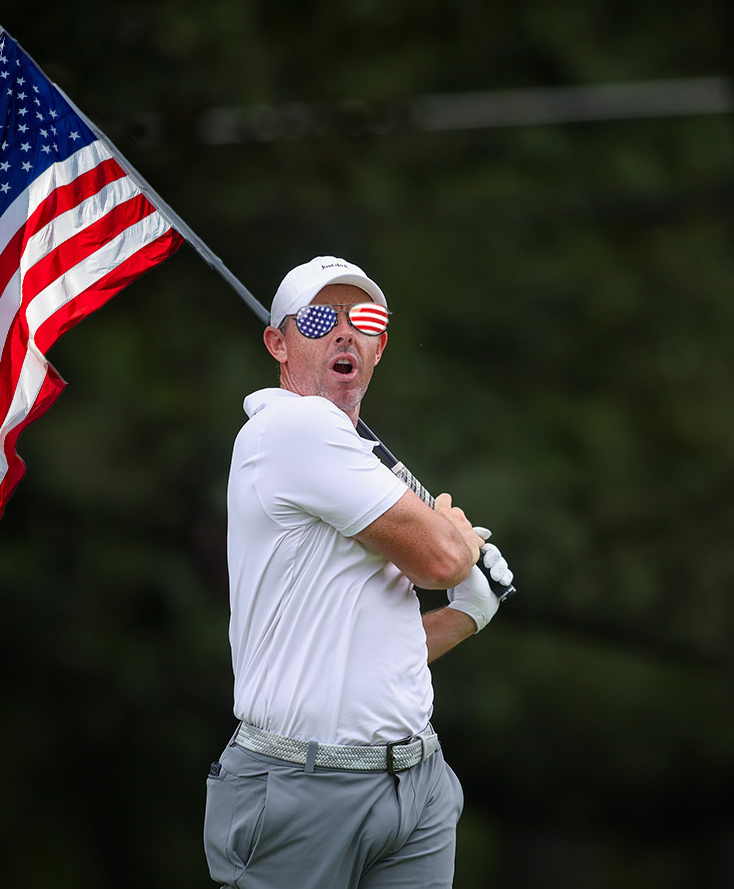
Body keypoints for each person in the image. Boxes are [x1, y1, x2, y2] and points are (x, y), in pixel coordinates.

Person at [205, 255, 515, 889]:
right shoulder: (292, 426)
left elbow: (370, 654)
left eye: (364, 319)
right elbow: (442, 560)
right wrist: (452, 542)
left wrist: (467, 614)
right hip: (301, 791)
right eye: (320, 318)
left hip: (415, 784)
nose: (345, 332)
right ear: (278, 344)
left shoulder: (354, 463)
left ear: (379, 347)